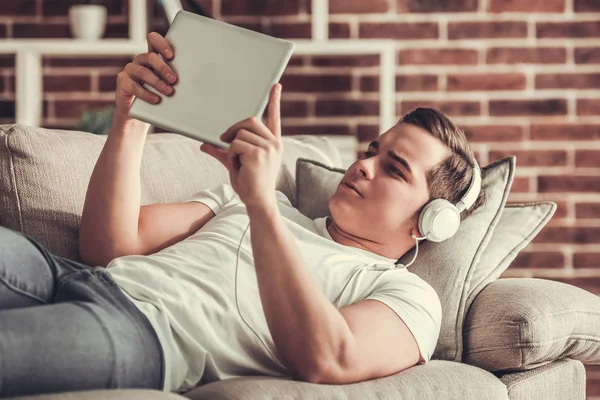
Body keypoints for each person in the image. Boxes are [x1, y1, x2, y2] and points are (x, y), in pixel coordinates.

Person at [0, 31, 486, 397]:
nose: (362, 165)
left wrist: (259, 204)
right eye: (371, 151)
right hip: (70, 275)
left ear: (432, 219)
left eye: (393, 170)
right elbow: (107, 248)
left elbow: (327, 358)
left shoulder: (407, 295)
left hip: (147, 334)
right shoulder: (259, 202)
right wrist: (131, 119)